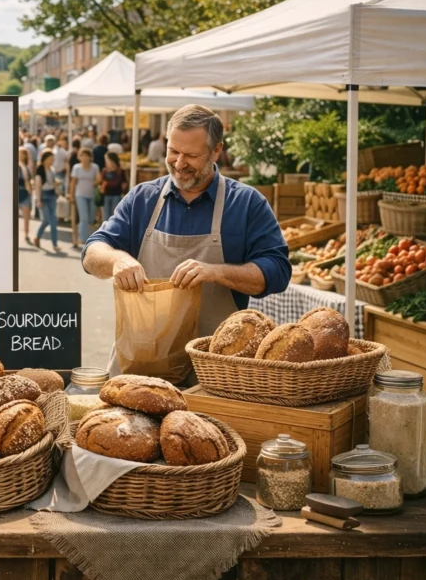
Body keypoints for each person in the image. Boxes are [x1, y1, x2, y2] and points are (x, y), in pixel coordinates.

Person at [82, 105, 290, 376]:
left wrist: (216, 272)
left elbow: (278, 271)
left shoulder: (247, 203)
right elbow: (92, 252)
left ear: (216, 151)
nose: (179, 164)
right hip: (142, 366)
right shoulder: (142, 199)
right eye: (173, 151)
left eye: (191, 155)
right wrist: (117, 260)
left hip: (216, 370)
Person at [70, 149, 100, 248]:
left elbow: (99, 178)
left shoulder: (95, 167)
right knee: (84, 217)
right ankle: (83, 238)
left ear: (90, 157)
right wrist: (71, 195)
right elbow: (73, 182)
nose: (84, 158)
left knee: (91, 218)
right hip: (80, 194)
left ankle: (85, 234)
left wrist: (95, 182)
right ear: (79, 157)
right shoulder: (77, 168)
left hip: (91, 195)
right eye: (82, 155)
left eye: (86, 156)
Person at [33, 149, 60, 253]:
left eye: (52, 159)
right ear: (44, 159)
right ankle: (37, 237)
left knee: (53, 220)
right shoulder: (40, 170)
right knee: (46, 220)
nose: (51, 161)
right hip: (43, 196)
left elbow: (53, 182)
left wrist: (57, 187)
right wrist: (38, 200)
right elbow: (38, 186)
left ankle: (55, 243)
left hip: (51, 195)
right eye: (49, 159)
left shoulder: (52, 170)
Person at [100, 152, 128, 221]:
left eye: (107, 160)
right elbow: (101, 181)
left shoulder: (120, 171)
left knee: (115, 216)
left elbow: (124, 183)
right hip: (107, 195)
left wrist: (122, 190)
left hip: (117, 195)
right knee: (106, 216)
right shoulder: (105, 171)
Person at [18, 147, 33, 245]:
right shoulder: (15, 165)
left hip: (25, 192)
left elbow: (29, 179)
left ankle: (26, 234)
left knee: (26, 215)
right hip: (17, 191)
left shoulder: (26, 167)